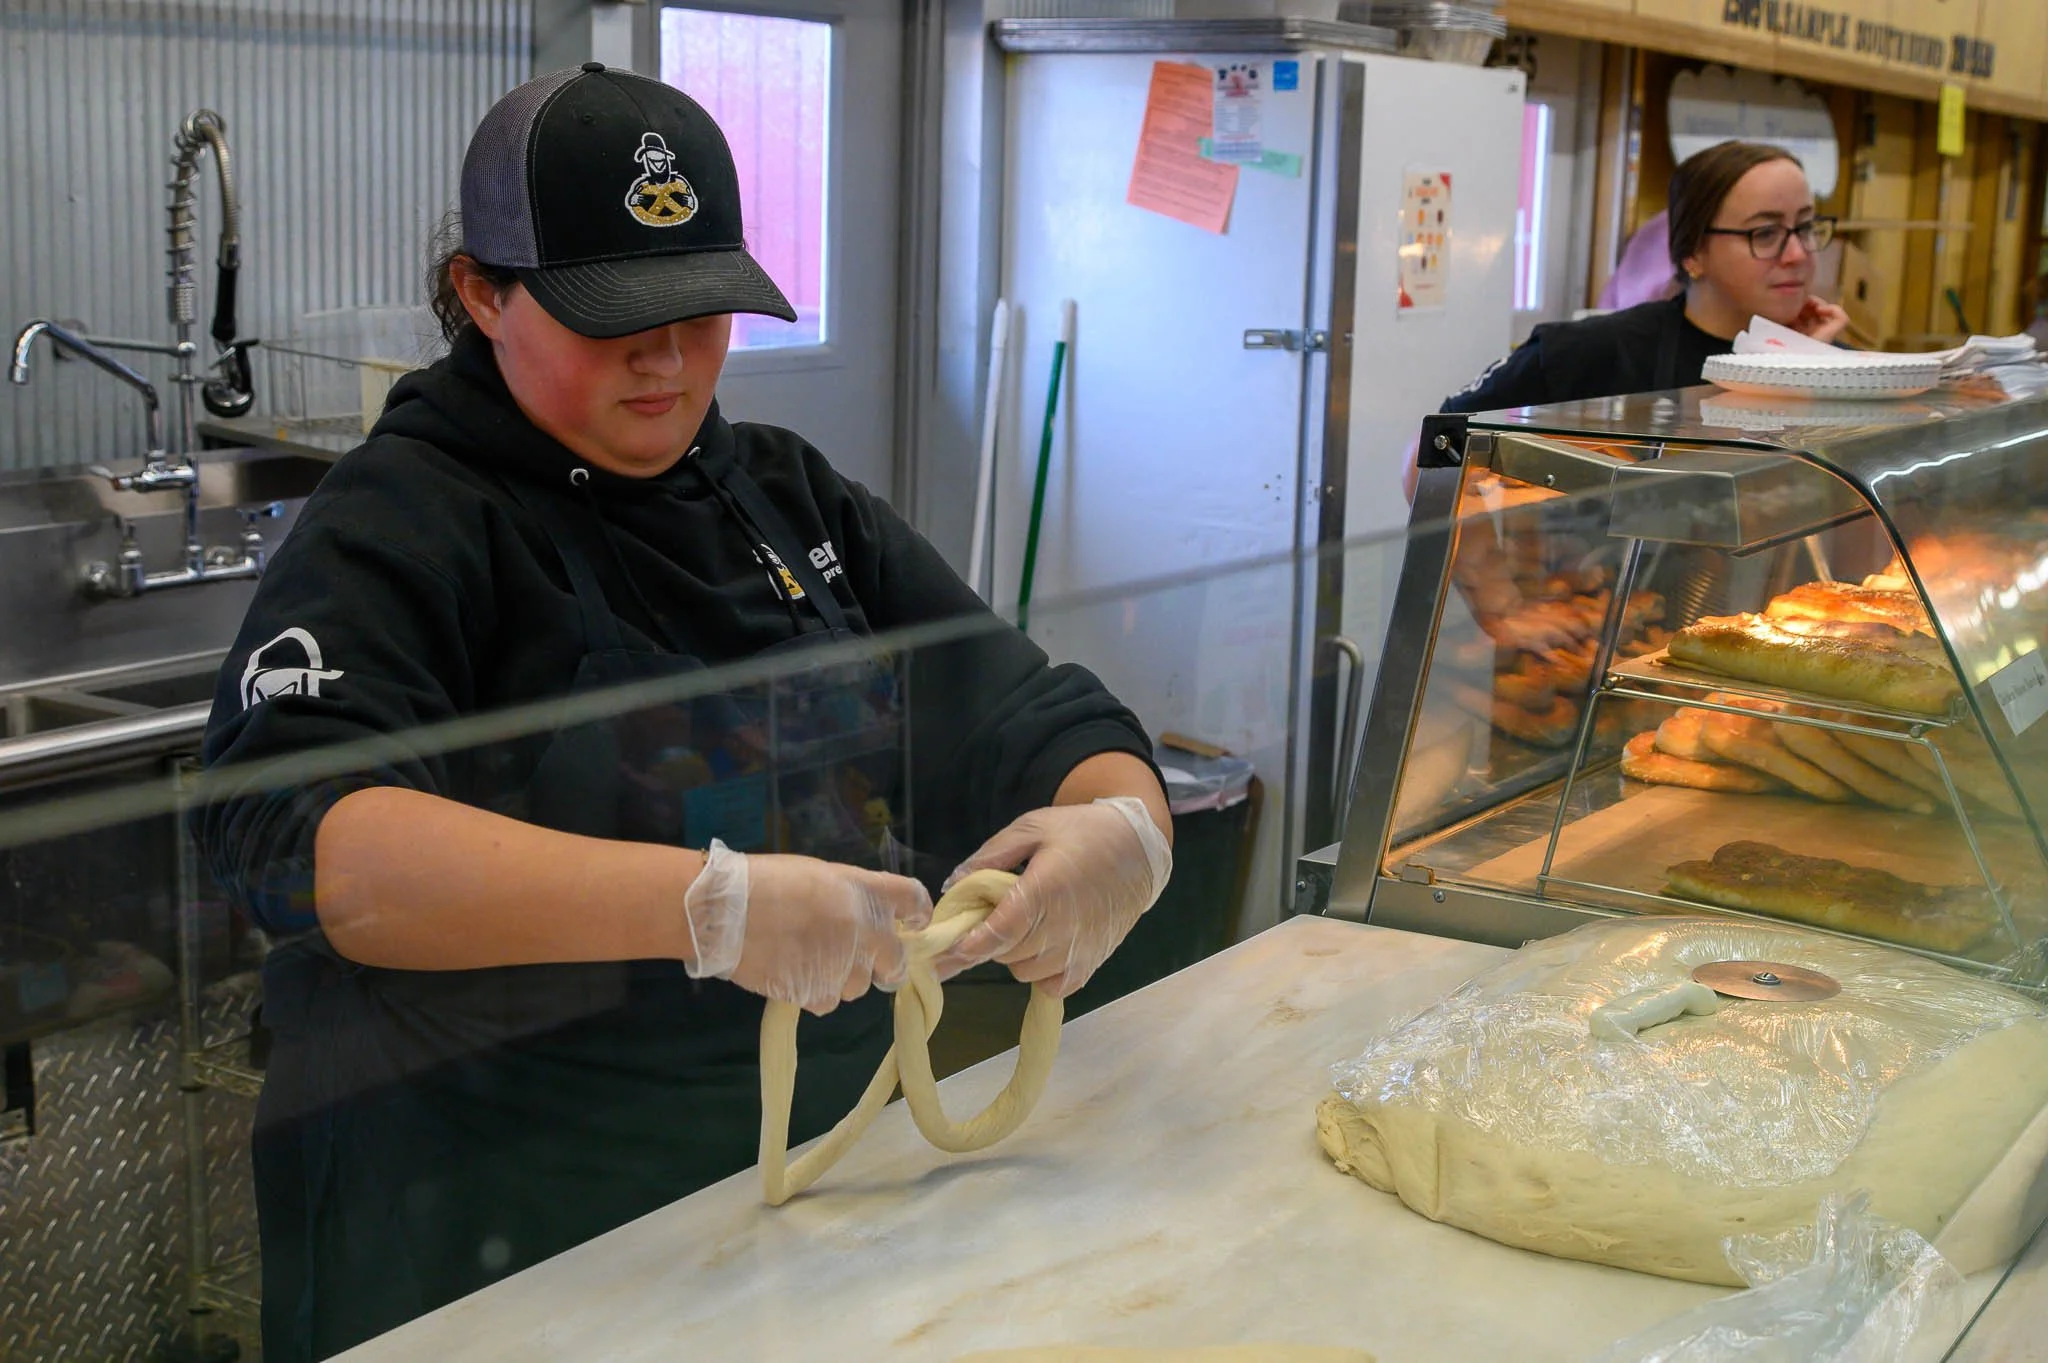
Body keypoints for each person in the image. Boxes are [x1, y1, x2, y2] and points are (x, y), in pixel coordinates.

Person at [197, 64, 1172, 1361]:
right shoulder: (404, 517)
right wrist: (706, 908)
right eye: (614, 316)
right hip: (498, 1219)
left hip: (802, 1200)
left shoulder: (781, 494)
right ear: (483, 293)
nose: (666, 358)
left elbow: (1031, 712)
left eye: (701, 308)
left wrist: (1124, 824)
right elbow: (303, 839)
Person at [1443, 141, 1850, 413]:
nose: (1797, 254)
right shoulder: (1590, 352)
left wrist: (1805, 368)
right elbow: (1433, 453)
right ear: (1692, 252)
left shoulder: (1834, 365)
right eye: (1765, 234)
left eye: (1806, 228)